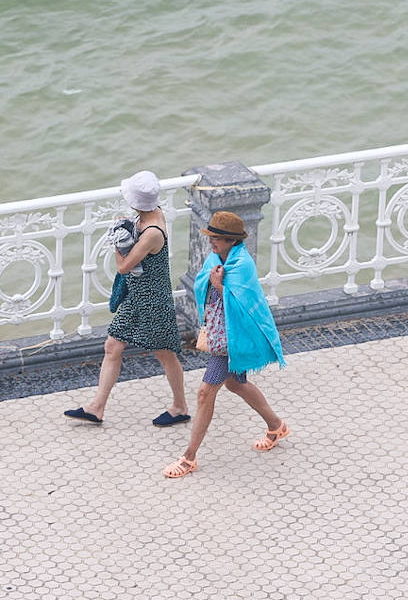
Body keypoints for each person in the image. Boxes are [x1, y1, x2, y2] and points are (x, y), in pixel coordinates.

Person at [163, 211, 288, 478]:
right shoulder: (217, 257)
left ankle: (188, 457)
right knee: (234, 383)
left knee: (205, 393)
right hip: (222, 335)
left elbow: (241, 301)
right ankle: (276, 426)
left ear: (231, 240)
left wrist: (219, 285)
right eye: (211, 237)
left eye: (216, 238)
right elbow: (202, 283)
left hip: (232, 339)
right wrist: (213, 283)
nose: (211, 242)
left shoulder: (241, 264)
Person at [64, 170, 191, 426]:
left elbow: (124, 266)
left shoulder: (153, 231)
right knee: (112, 346)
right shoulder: (148, 216)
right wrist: (126, 226)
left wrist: (116, 241)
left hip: (153, 301)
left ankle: (180, 407)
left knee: (165, 354)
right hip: (136, 297)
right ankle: (96, 407)